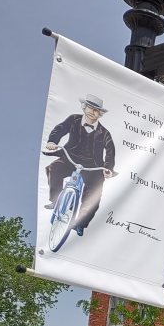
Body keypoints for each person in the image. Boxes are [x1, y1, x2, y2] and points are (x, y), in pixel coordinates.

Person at [44, 94, 116, 237]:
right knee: (53, 168)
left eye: (96, 110)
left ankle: (80, 223)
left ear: (100, 114)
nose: (92, 112)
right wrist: (52, 141)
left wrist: (108, 168)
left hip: (93, 165)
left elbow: (110, 150)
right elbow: (60, 128)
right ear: (84, 107)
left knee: (94, 193)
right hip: (71, 157)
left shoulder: (104, 133)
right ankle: (56, 200)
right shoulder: (74, 119)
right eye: (89, 107)